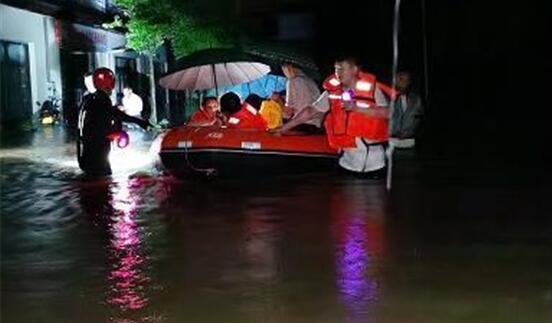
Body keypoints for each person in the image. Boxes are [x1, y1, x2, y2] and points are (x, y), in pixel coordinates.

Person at [278, 56, 396, 177]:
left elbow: (388, 113)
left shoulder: (371, 90)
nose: (338, 73)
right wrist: (284, 128)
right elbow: (310, 111)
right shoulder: (332, 92)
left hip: (373, 162)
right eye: (336, 69)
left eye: (341, 69)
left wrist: (356, 108)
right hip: (346, 161)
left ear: (354, 70)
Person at [77, 68, 152, 176]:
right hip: (97, 155)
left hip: (86, 154)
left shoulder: (89, 100)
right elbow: (116, 115)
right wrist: (140, 123)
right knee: (103, 179)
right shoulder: (102, 100)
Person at [281, 62, 322, 132]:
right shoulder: (311, 81)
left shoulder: (292, 81)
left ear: (289, 68)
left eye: (283, 70)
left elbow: (288, 111)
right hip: (316, 124)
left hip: (300, 124)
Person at [390, 71, 424, 147]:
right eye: (401, 79)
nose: (403, 83)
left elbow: (420, 119)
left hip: (409, 141)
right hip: (390, 142)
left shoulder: (416, 99)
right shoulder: (387, 97)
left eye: (406, 80)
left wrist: (411, 132)